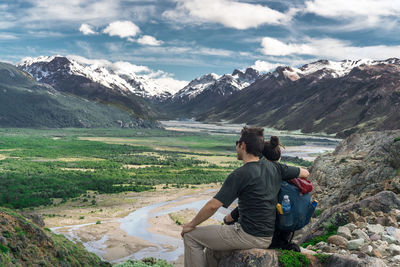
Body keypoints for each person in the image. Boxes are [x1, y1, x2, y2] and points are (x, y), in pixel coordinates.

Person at [181, 127, 309, 267]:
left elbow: (213, 205)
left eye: (237, 143)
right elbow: (305, 173)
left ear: (242, 145)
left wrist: (191, 225)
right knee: (212, 251)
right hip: (267, 236)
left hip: (247, 235)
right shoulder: (275, 168)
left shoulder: (240, 174)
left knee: (191, 237)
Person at [224, 136, 310, 252]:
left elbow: (247, 206)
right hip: (283, 238)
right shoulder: (284, 172)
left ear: (260, 156)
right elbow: (306, 173)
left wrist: (227, 219)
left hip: (263, 237)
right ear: (279, 157)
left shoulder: (260, 176)